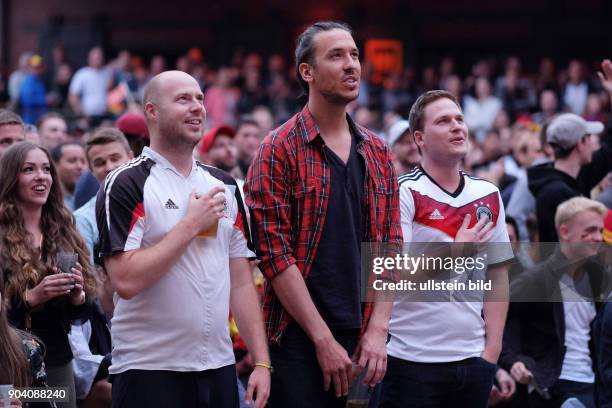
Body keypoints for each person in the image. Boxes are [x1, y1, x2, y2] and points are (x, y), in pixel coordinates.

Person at [245, 21, 402, 407]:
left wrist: (379, 329)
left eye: (354, 55)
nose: (351, 65)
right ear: (307, 72)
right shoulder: (278, 149)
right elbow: (275, 257)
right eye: (336, 56)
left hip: (365, 338)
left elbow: (390, 248)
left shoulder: (377, 151)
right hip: (297, 341)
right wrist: (322, 339)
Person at [97, 70, 270, 408]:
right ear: (152, 111)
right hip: (148, 368)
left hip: (219, 366)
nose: (197, 108)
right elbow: (125, 280)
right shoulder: (126, 183)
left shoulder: (224, 184)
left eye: (200, 99)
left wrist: (261, 360)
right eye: (183, 99)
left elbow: (241, 283)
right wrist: (190, 225)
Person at [381, 90, 513, 408]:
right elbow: (389, 277)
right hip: (409, 360)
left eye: (459, 119)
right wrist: (456, 253)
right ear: (420, 138)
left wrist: (491, 352)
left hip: (473, 361)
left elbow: (498, 276)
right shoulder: (403, 191)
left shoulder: (489, 194)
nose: (457, 126)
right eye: (443, 121)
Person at [0, 141, 94, 408]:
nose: (40, 176)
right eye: (28, 169)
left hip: (56, 360)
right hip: (10, 364)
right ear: (11, 178)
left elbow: (82, 314)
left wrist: (77, 295)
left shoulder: (63, 227)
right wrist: (32, 298)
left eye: (45, 169)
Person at [501, 197, 608, 408]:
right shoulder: (536, 280)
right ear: (565, 232)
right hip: (552, 385)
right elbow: (498, 320)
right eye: (591, 230)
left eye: (600, 231)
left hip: (593, 383)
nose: (598, 238)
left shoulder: (598, 278)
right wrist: (513, 361)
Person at [50, 143, 87, 211]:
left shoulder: (91, 200)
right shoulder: (48, 202)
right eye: (72, 161)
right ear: (54, 165)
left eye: (83, 161)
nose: (79, 166)